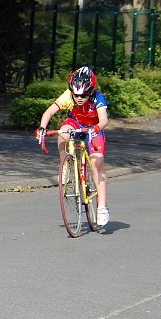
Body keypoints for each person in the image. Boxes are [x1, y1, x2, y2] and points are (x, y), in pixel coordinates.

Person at [36, 66, 110, 226]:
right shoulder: (68, 96)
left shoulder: (98, 97)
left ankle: (102, 207)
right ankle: (65, 164)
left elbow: (104, 119)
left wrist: (97, 128)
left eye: (83, 95)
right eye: (76, 95)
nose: (79, 98)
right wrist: (42, 128)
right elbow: (49, 112)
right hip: (75, 123)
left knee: (97, 163)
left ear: (91, 91)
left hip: (93, 128)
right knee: (63, 132)